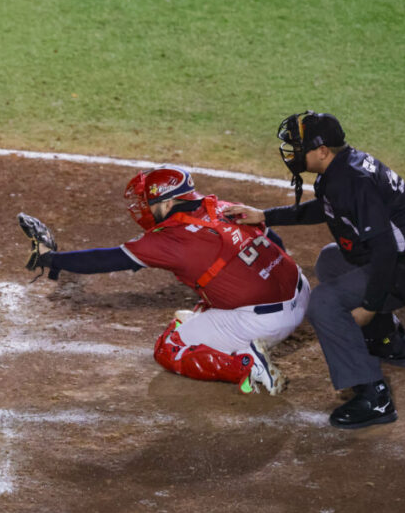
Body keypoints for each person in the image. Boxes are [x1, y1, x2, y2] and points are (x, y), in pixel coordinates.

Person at [229, 111, 405, 429]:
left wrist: (368, 307)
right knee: (331, 260)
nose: (293, 152)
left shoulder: (353, 181)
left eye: (299, 146)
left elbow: (383, 252)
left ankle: (374, 397)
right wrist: (265, 216)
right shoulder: (343, 168)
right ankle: (389, 342)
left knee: (325, 303)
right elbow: (326, 207)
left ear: (323, 150)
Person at [21, 165, 309, 395]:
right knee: (212, 291)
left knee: (169, 348)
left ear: (170, 201)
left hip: (266, 321)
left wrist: (51, 258)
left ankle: (247, 365)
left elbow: (107, 259)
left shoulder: (170, 239)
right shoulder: (220, 206)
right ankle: (241, 329)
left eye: (150, 202)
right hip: (300, 291)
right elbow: (275, 240)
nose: (145, 208)